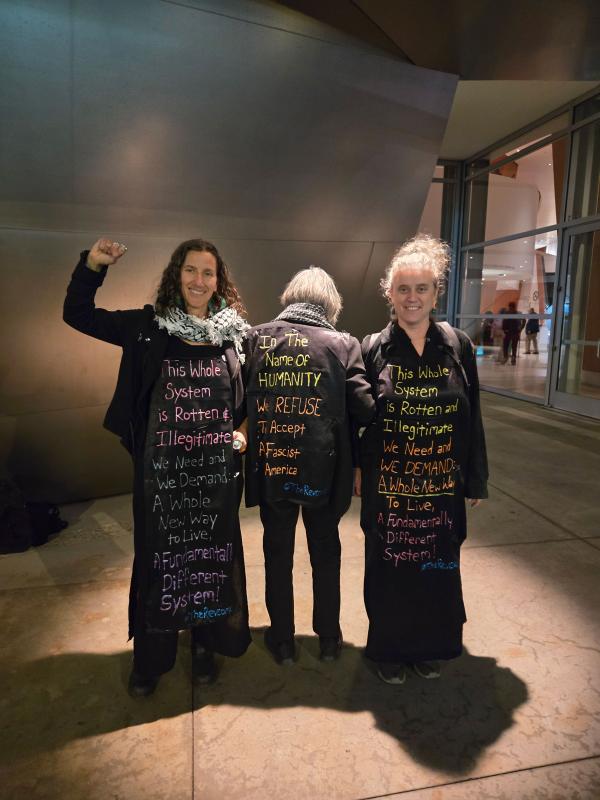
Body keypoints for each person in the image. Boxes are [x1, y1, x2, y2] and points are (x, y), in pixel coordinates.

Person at [64, 237, 252, 697]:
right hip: (162, 477)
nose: (198, 280)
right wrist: (93, 266)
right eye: (190, 270)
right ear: (176, 275)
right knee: (159, 562)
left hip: (214, 478)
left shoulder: (235, 337)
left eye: (208, 272)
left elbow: (249, 399)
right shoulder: (146, 328)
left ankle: (205, 644)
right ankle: (151, 659)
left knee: (210, 559)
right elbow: (78, 314)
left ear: (218, 281)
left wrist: (243, 432)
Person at [356, 234, 488, 685]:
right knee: (390, 571)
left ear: (436, 293)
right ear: (390, 293)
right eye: (403, 289)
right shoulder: (373, 348)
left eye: (422, 288)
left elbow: (473, 413)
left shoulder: (457, 345)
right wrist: (358, 469)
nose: (412, 298)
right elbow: (358, 418)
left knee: (436, 570)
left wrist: (475, 478)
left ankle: (431, 646)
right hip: (390, 487)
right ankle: (390, 651)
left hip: (441, 486)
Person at [243, 267, 375, 664]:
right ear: (330, 305)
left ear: (290, 297)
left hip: (273, 468)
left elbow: (239, 401)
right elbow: (365, 408)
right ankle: (329, 639)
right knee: (325, 551)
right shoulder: (343, 344)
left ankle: (282, 640)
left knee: (276, 552)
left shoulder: (256, 338)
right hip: (324, 473)